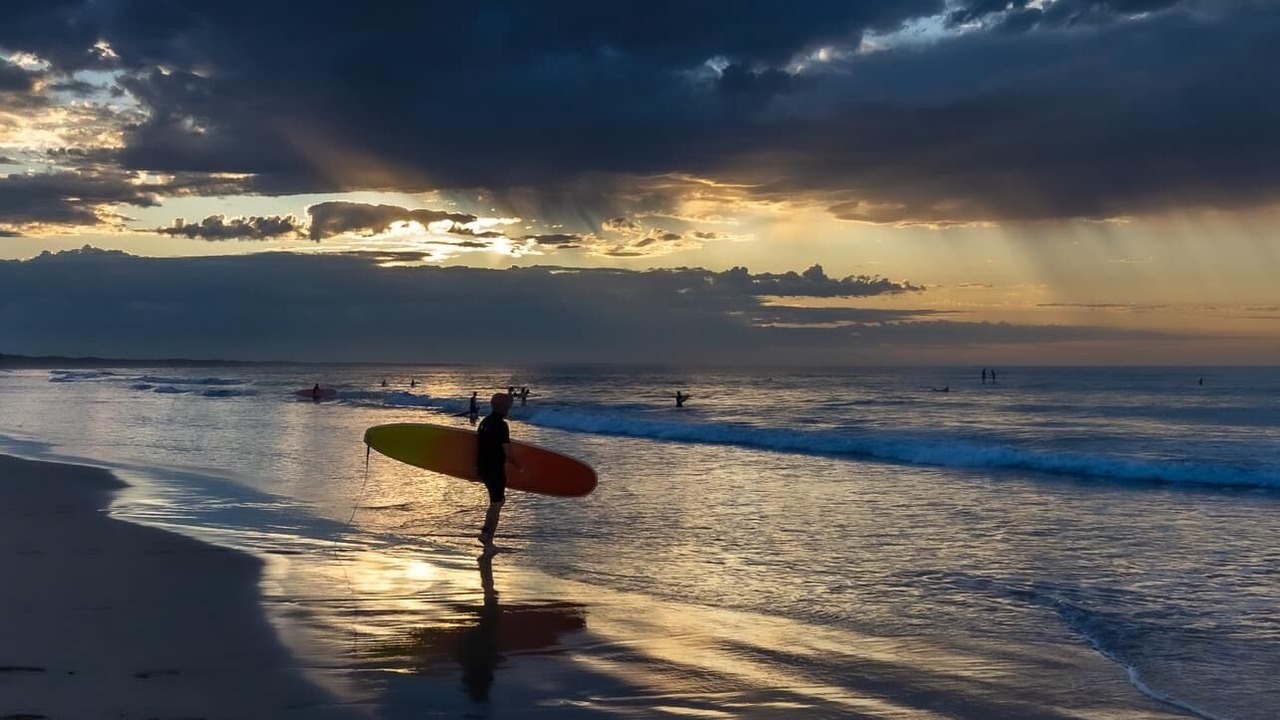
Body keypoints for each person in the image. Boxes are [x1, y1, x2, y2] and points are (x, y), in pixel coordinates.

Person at [477, 393, 521, 553]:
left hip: (483, 468)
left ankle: (485, 533)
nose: (509, 408)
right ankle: (488, 543)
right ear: (501, 406)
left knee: (498, 501)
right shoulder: (501, 425)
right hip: (495, 469)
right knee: (496, 505)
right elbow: (507, 450)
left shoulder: (484, 422)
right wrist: (519, 465)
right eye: (508, 406)